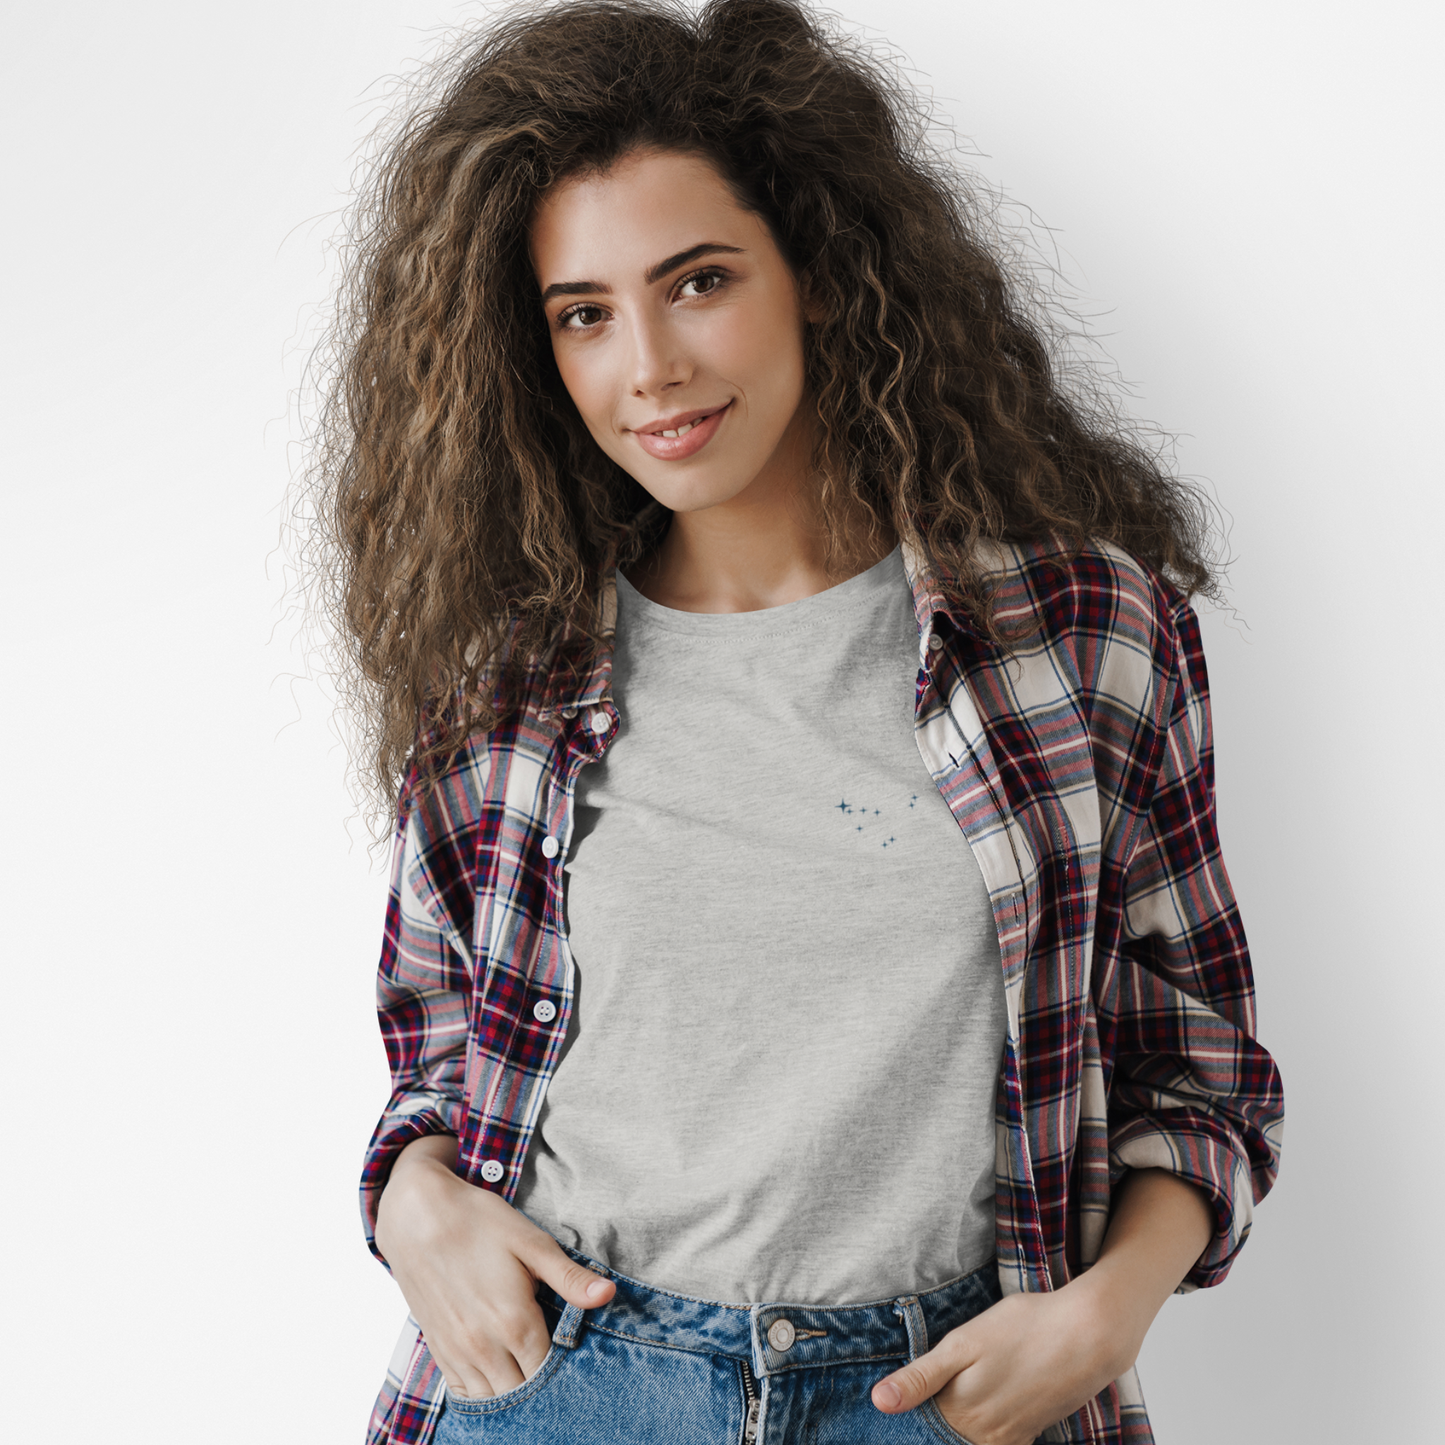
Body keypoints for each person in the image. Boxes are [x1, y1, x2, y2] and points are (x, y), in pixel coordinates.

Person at [309, 2, 1284, 1441]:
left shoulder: (1085, 640)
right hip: (564, 1386)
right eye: (584, 314)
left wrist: (1107, 1307)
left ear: (816, 272)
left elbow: (1195, 1061)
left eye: (697, 282)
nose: (647, 365)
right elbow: (442, 1052)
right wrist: (407, 1205)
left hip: (950, 1394)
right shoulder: (500, 683)